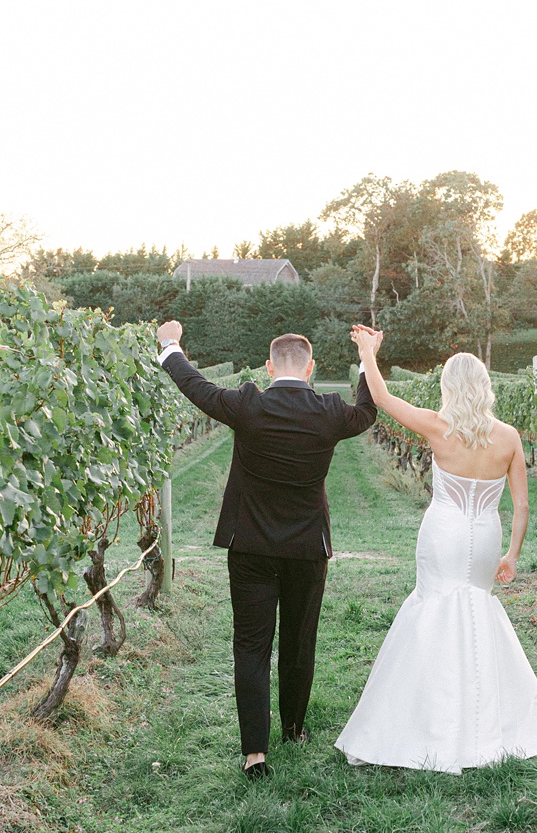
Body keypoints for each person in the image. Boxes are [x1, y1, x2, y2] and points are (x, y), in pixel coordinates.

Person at [335, 327, 537, 773]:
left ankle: (427, 721)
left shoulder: (438, 426)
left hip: (443, 531)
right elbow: (521, 506)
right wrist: (513, 557)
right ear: (485, 388)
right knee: (476, 609)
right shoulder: (509, 437)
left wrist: (368, 351)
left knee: (434, 608)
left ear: (448, 388)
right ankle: (480, 721)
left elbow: (382, 398)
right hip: (485, 535)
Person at [156, 323, 378, 778]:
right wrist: (366, 356)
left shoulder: (247, 404)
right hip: (306, 548)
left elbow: (194, 387)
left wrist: (170, 345)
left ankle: (255, 752)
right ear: (312, 369)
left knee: (251, 645)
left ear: (269, 367)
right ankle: (294, 728)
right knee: (299, 641)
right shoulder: (331, 412)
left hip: (251, 546)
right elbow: (369, 408)